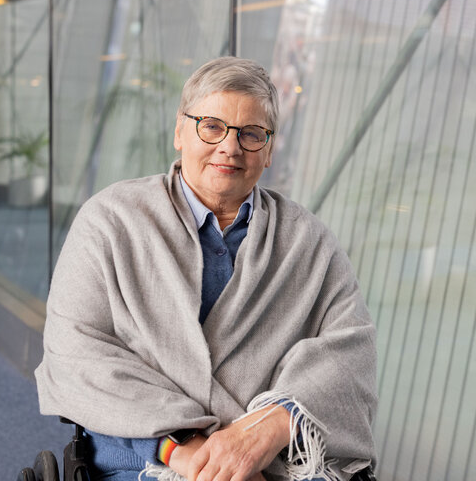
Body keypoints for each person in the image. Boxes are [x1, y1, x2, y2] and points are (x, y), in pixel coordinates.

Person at [35, 57, 377, 481]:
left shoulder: (309, 241)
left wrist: (267, 430)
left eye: (251, 134)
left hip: (277, 461)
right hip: (149, 458)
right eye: (212, 126)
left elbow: (351, 353)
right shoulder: (109, 221)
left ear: (268, 150)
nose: (230, 147)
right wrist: (193, 454)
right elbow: (76, 351)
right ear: (180, 131)